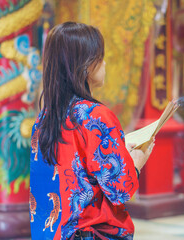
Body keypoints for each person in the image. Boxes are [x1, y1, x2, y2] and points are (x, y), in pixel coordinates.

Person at [30, 22, 154, 240]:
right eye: (100, 57)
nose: (104, 63)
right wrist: (136, 163)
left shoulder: (43, 119)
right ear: (85, 66)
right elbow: (120, 191)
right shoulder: (95, 115)